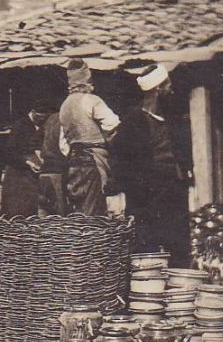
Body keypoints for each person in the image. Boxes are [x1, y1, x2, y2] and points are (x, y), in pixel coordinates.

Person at [111, 63, 193, 263]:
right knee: (147, 244)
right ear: (157, 89)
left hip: (173, 190)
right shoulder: (133, 122)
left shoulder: (172, 117)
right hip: (147, 196)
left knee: (178, 244)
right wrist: (141, 187)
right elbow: (123, 163)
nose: (171, 89)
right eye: (167, 85)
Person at [57, 60, 121, 217]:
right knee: (95, 208)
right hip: (94, 160)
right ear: (88, 81)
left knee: (79, 207)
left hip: (73, 161)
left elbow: (63, 144)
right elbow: (112, 123)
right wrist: (107, 140)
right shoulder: (91, 100)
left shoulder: (64, 105)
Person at [0, 103, 52, 221]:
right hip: (16, 175)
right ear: (33, 112)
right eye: (40, 116)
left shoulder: (40, 126)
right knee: (16, 210)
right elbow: (10, 153)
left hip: (30, 175)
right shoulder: (20, 125)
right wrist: (28, 162)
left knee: (29, 209)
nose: (42, 120)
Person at [37, 104, 67, 215]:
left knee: (44, 209)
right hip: (58, 169)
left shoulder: (50, 119)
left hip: (45, 168)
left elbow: (37, 140)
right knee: (59, 210)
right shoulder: (64, 119)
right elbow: (64, 147)